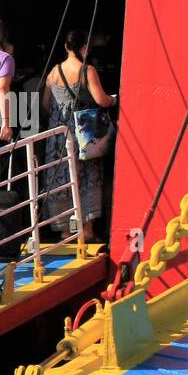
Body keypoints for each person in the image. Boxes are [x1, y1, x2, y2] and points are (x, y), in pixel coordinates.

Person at [42, 29, 115, 242]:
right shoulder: (87, 70)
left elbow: (46, 105)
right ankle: (87, 229)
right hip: (83, 134)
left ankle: (66, 231)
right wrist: (115, 99)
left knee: (62, 180)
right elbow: (101, 100)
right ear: (85, 48)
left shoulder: (54, 72)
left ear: (66, 47)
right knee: (87, 178)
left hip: (57, 137)